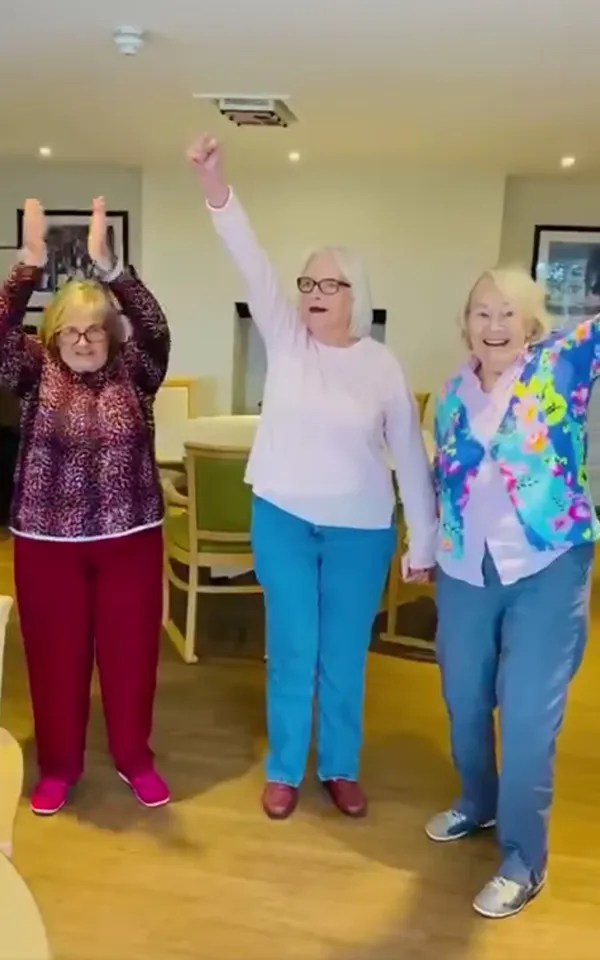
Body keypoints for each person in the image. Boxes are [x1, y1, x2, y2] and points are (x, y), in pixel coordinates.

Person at [187, 134, 437, 820]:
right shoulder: (287, 339)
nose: (315, 293)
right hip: (284, 521)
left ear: (357, 295)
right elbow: (250, 260)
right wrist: (215, 185)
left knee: (344, 654)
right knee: (293, 648)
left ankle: (340, 766)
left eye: (331, 284)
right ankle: (285, 768)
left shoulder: (381, 365)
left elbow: (410, 455)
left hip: (361, 531)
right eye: (308, 283)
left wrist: (423, 541)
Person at [426, 266, 599, 918]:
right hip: (467, 567)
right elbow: (445, 476)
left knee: (526, 718)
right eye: (482, 312)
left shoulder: (561, 364)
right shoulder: (452, 391)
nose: (494, 325)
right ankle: (479, 803)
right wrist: (428, 544)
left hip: (548, 565)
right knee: (463, 700)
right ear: (466, 323)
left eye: (508, 313)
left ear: (531, 323)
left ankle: (525, 860)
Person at [2, 197, 171, 815]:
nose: (82, 340)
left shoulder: (137, 370)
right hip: (47, 543)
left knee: (131, 660)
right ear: (51, 335)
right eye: (70, 330)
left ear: (111, 334)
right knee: (54, 661)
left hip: (131, 538)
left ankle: (134, 758)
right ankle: (59, 767)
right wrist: (27, 264)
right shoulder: (33, 371)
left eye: (94, 328)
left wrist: (112, 268)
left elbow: (156, 328)